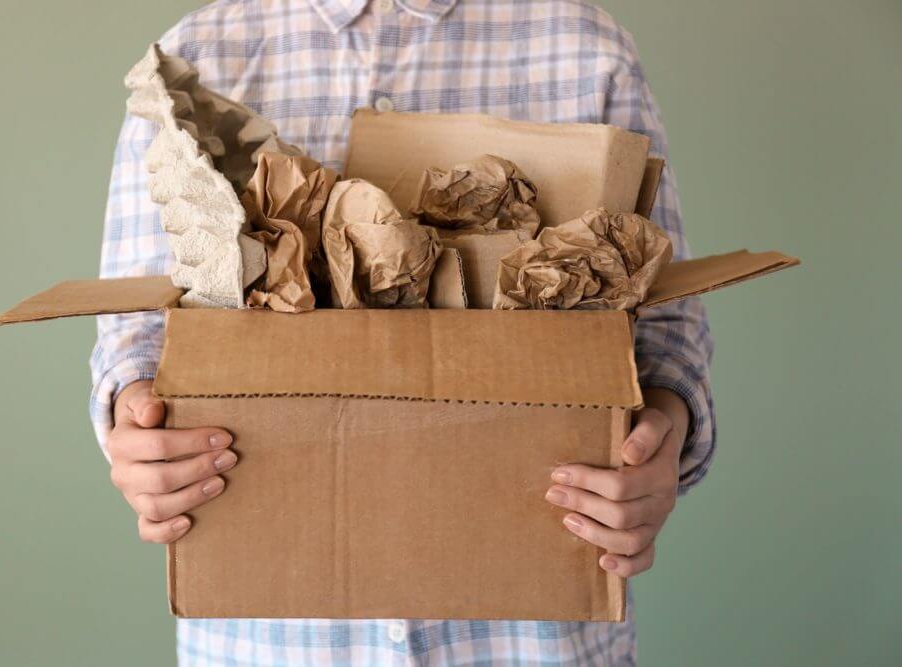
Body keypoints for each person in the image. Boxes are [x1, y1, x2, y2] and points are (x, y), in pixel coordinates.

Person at [91, 1, 714, 664]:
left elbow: (665, 324)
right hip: (273, 640)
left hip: (529, 638)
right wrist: (136, 427)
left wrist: (663, 441)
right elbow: (133, 330)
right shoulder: (197, 57)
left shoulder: (587, 50)